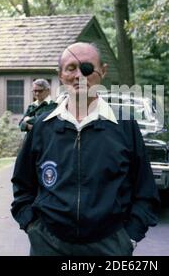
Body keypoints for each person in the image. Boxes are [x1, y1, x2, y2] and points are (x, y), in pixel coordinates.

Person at [11, 42, 159, 256]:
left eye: (87, 68)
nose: (79, 75)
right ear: (60, 75)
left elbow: (144, 189)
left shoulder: (125, 126)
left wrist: (129, 237)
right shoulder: (43, 127)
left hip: (109, 246)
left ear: (103, 72)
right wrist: (32, 226)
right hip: (48, 244)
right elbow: (23, 184)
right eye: (71, 68)